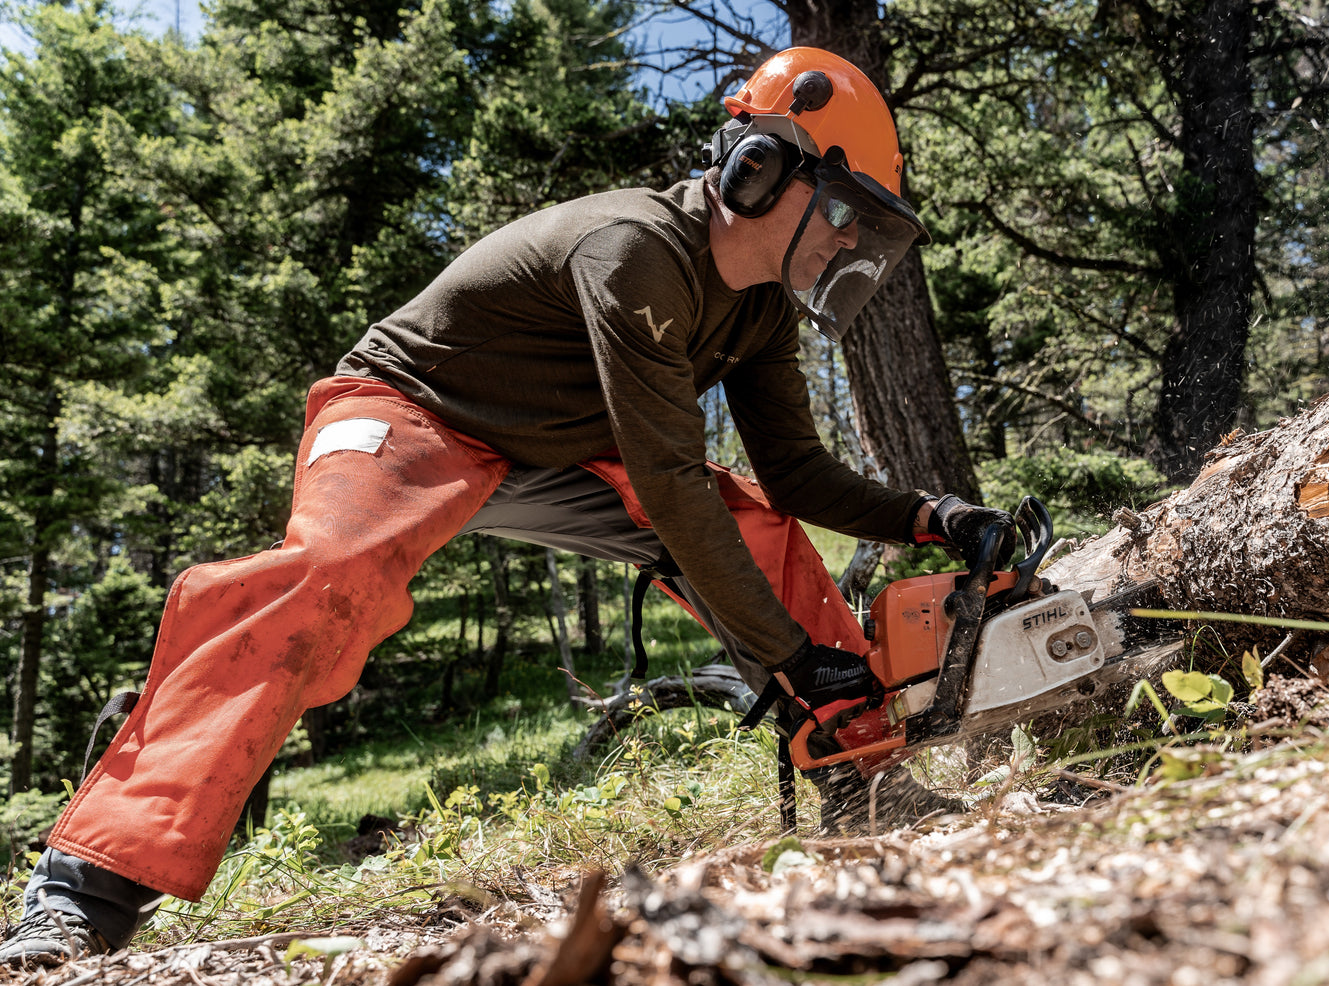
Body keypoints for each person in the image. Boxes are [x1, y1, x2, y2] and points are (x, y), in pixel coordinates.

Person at [0, 46, 1014, 966]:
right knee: (324, 583)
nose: (844, 241)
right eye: (839, 211)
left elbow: (794, 476)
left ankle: (859, 775)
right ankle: (85, 882)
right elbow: (664, 480)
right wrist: (792, 656)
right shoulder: (634, 247)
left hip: (560, 447)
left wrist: (931, 516)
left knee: (753, 524)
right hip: (409, 411)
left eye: (860, 227)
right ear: (759, 166)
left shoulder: (754, 312)